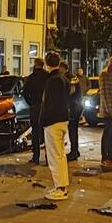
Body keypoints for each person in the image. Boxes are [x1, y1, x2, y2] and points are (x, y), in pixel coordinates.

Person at [40, 52, 71, 200]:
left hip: (53, 121)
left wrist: (44, 120)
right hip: (63, 119)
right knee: (60, 155)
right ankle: (62, 186)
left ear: (47, 63)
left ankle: (60, 188)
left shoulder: (52, 81)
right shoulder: (64, 79)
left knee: (54, 156)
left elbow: (49, 103)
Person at [22, 58, 49, 164]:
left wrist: (31, 103)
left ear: (35, 65)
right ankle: (48, 157)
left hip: (35, 106)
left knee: (35, 132)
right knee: (47, 132)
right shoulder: (48, 77)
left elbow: (25, 93)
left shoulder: (31, 78)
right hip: (45, 107)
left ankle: (36, 156)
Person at [66, 64, 82, 162]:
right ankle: (75, 150)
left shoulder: (69, 78)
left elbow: (71, 93)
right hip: (76, 107)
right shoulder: (74, 78)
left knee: (72, 130)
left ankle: (74, 151)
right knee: (74, 130)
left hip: (72, 108)